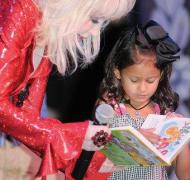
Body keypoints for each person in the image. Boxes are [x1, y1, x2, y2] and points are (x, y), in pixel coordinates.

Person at [0, 0, 136, 179]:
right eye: (94, 19)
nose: (95, 32)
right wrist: (73, 138)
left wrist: (85, 150)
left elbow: (29, 120)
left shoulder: (45, 27)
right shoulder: (20, 11)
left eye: (102, 22)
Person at [95, 20, 190, 180]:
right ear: (118, 73)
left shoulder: (162, 111)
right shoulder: (109, 106)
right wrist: (134, 140)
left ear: (160, 76)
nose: (142, 89)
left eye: (150, 80)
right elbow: (94, 145)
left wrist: (180, 141)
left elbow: (184, 174)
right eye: (134, 80)